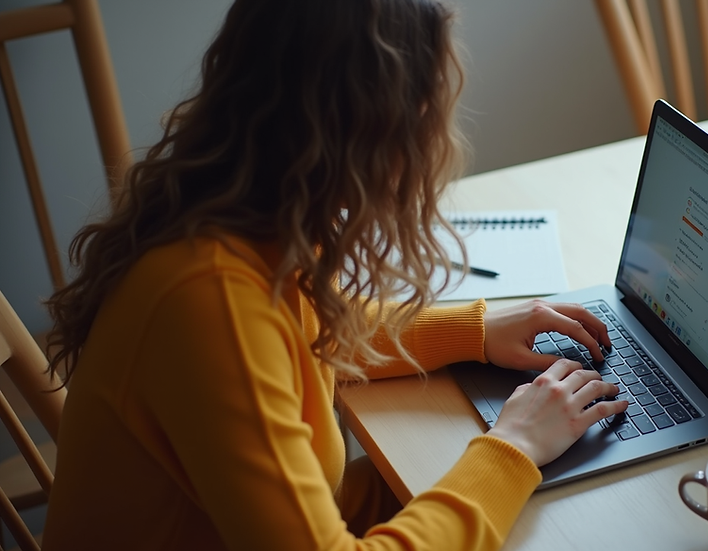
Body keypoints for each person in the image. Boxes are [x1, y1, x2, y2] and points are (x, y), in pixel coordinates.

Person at [41, 1, 627, 549]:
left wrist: (476, 332)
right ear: (372, 131)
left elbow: (314, 336)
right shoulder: (209, 300)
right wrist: (512, 447)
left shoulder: (255, 223)